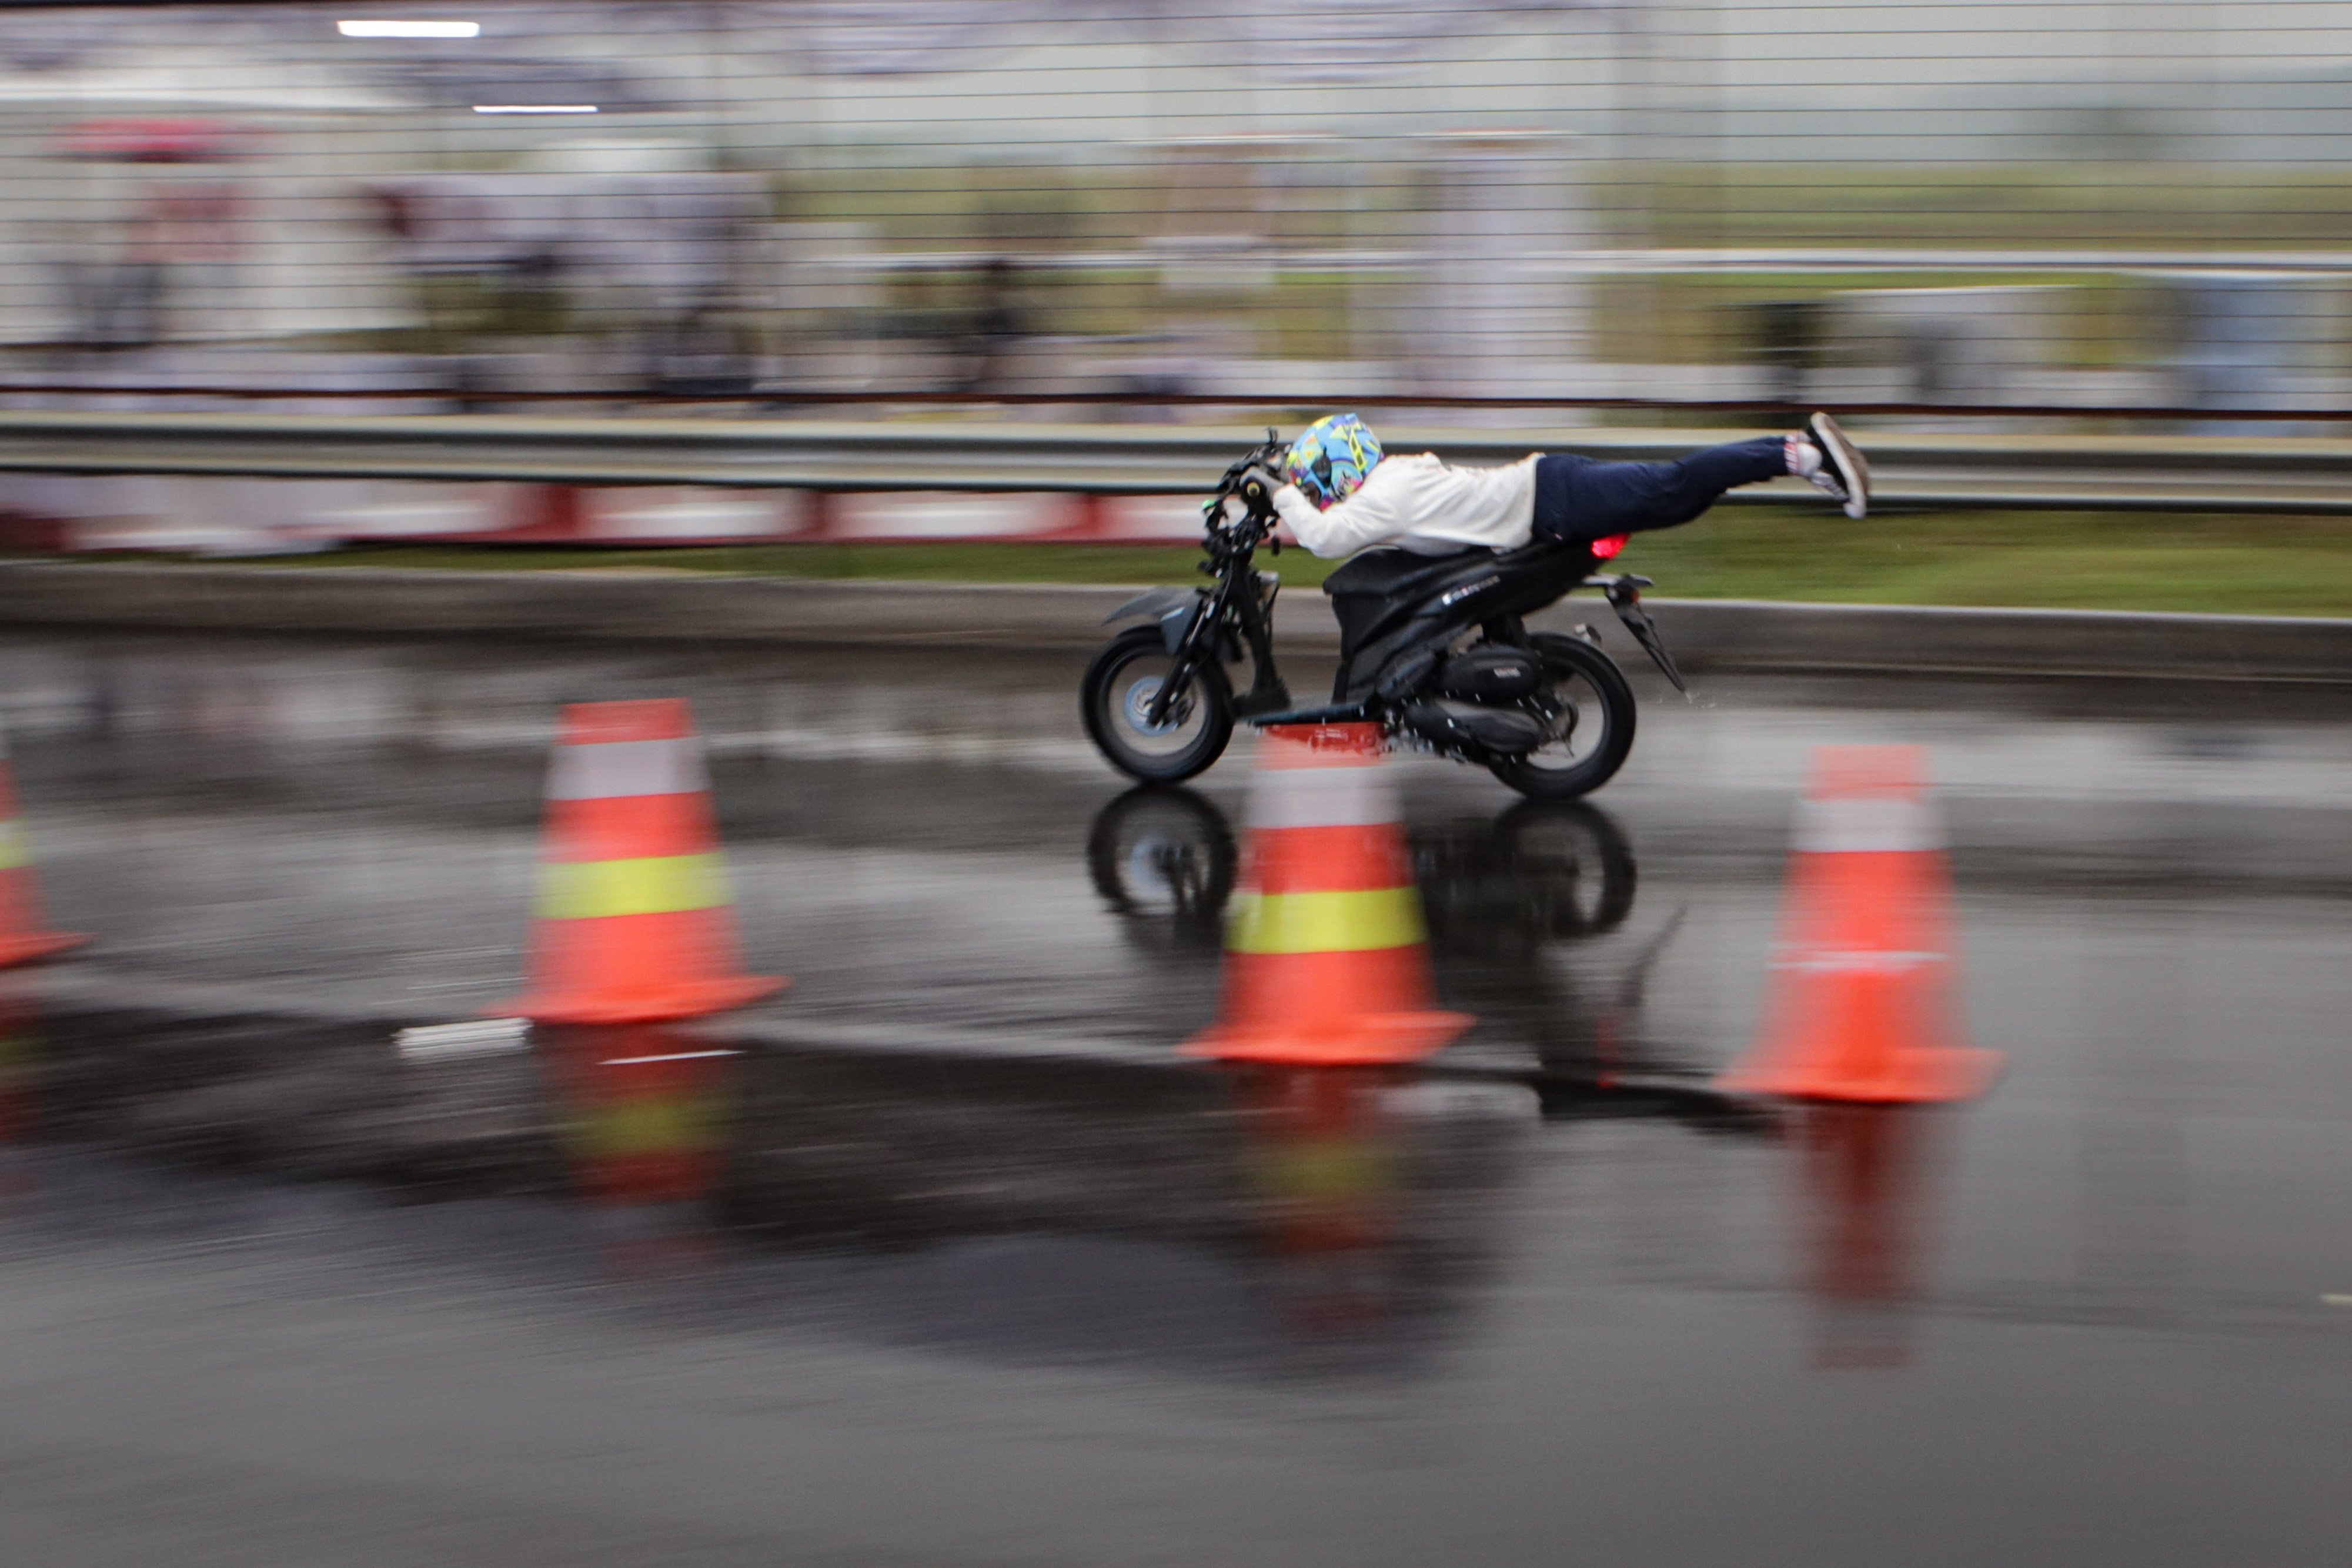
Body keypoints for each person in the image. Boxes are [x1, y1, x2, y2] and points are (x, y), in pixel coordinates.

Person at [1258, 412, 1870, 560]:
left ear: (1339, 469)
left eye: (1316, 481)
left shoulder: (1384, 496)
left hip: (1556, 498)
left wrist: (1277, 491)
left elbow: (1327, 541)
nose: (1314, 492)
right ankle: (1804, 458)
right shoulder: (1391, 480)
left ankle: (1804, 454)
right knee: (1678, 493)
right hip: (1551, 489)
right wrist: (1270, 522)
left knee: (1677, 487)